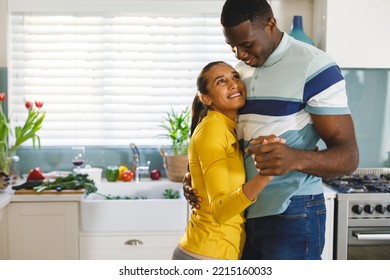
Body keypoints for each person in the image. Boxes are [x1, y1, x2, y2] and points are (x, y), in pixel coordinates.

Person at [183, 0, 359, 260]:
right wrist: (197, 178)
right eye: (232, 46)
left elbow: (349, 157)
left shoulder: (314, 66)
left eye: (246, 45)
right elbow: (220, 135)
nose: (239, 54)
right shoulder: (239, 72)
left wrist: (295, 158)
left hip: (292, 211)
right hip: (242, 215)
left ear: (271, 24)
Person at [172, 61, 283, 260]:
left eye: (235, 77)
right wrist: (266, 175)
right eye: (221, 81)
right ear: (206, 98)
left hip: (216, 253)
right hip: (206, 254)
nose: (233, 84)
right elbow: (220, 210)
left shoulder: (228, 128)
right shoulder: (212, 129)